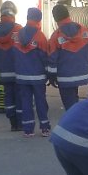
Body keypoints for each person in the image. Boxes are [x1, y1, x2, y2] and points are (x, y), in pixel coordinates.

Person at [47, 4, 88, 110]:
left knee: (70, 106)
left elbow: (52, 58)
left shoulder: (56, 35)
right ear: (68, 14)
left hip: (65, 77)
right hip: (82, 74)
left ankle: (76, 123)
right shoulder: (84, 30)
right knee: (74, 100)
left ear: (55, 18)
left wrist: (51, 76)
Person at [13, 7, 51, 138]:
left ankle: (28, 129)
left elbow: (14, 55)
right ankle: (45, 128)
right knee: (40, 101)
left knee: (26, 101)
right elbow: (45, 57)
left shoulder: (18, 34)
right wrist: (48, 73)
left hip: (21, 76)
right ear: (39, 20)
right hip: (38, 76)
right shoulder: (40, 36)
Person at [0, 0, 22, 132]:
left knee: (8, 95)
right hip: (17, 69)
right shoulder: (18, 29)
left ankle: (12, 123)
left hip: (3, 70)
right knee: (19, 96)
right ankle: (20, 122)